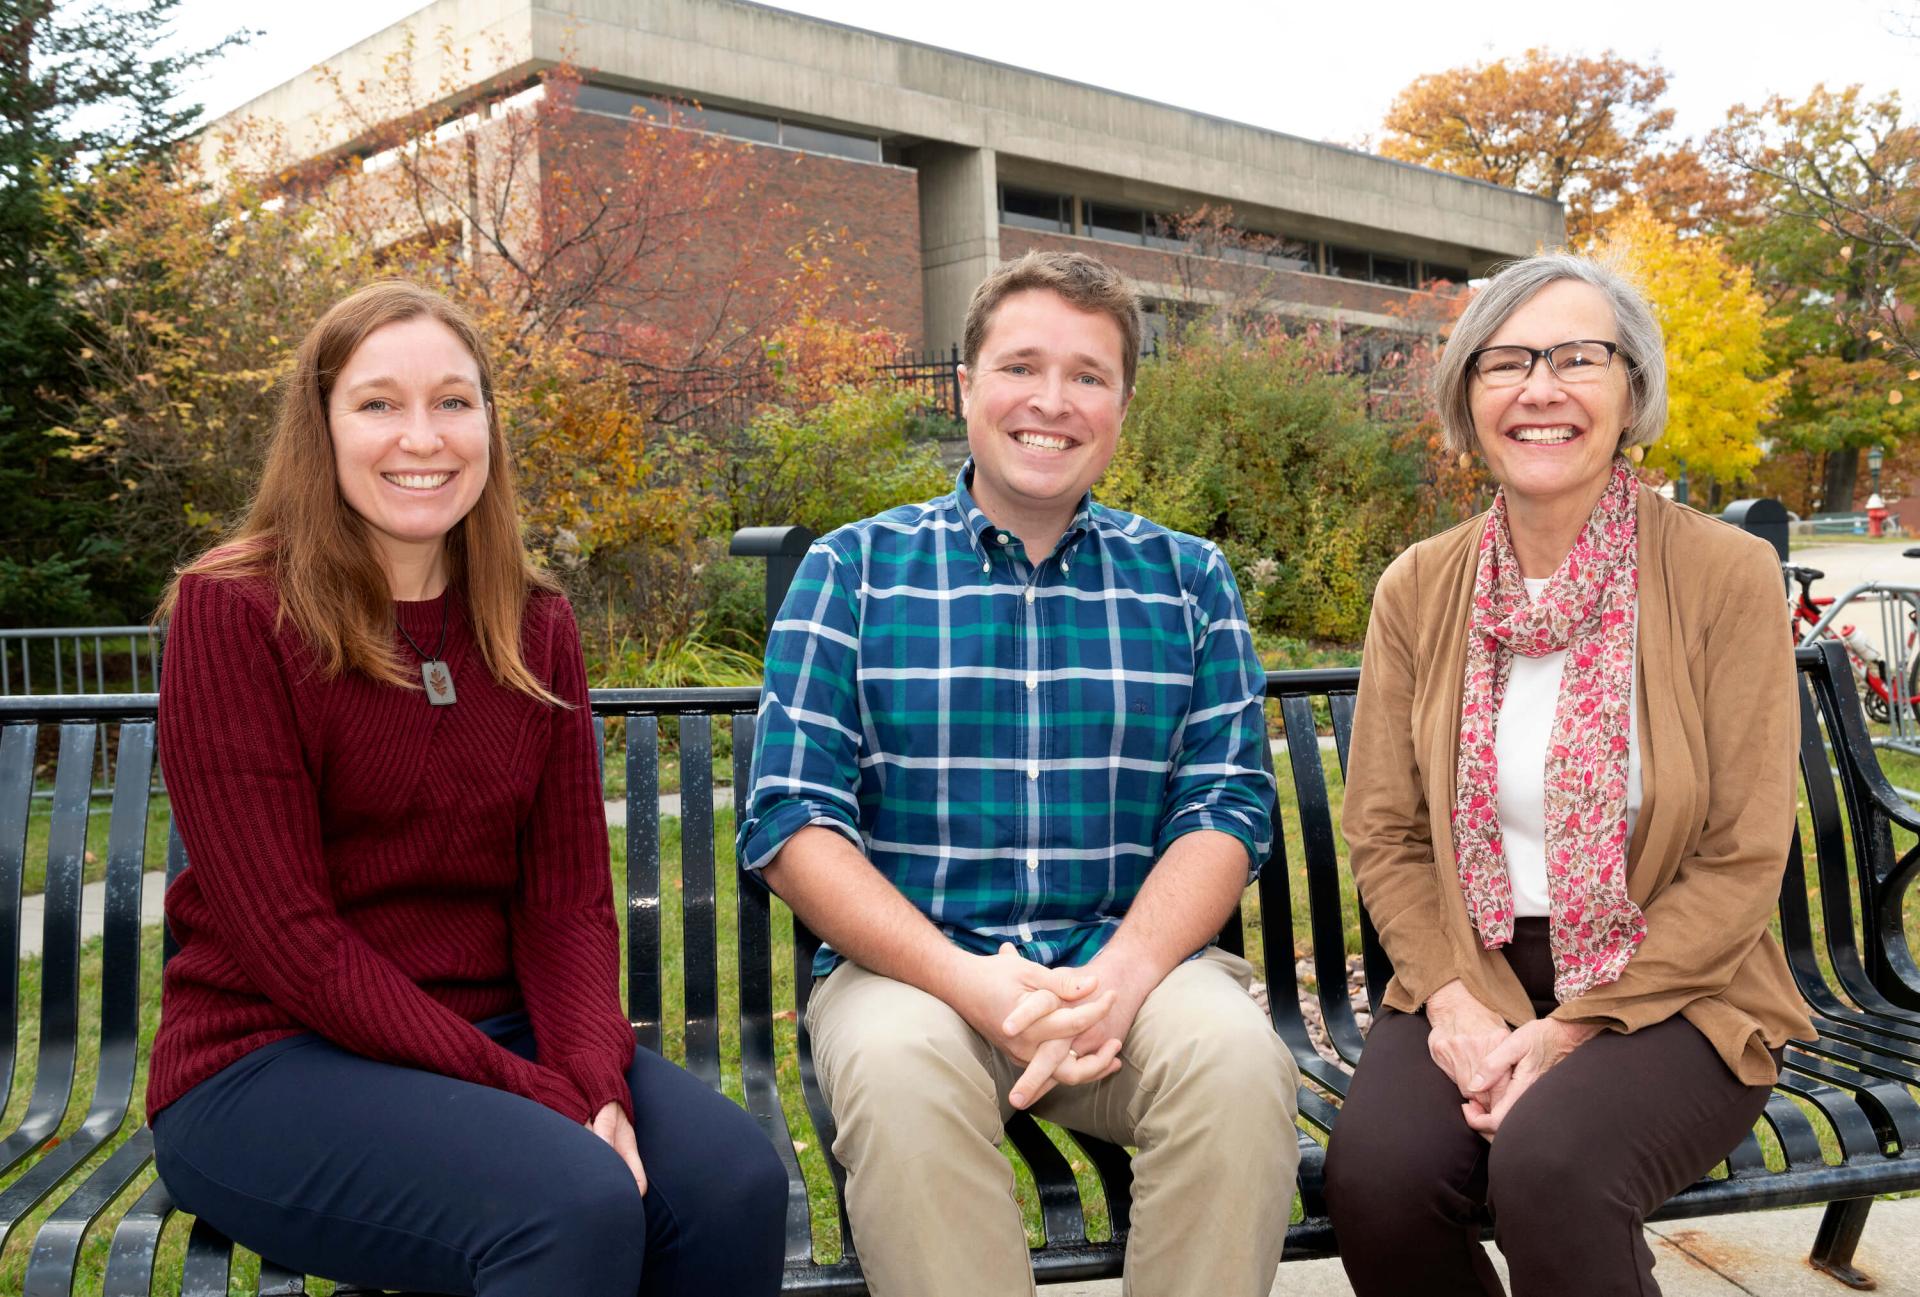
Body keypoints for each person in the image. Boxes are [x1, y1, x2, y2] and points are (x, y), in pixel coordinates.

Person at [147, 280, 786, 1297]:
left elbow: (566, 903)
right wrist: (532, 1094)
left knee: (735, 1183)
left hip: (501, 1031)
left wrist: (587, 1077)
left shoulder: (532, 623)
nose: (424, 435)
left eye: (454, 400)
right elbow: (293, 940)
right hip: (269, 1055)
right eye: (378, 403)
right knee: (569, 1202)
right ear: (321, 426)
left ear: (490, 422)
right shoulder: (236, 610)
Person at [736, 249, 1299, 1297]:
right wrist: (969, 983)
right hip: (915, 979)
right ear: (965, 386)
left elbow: (1224, 803)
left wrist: (1119, 982)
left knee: (1234, 1063)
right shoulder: (855, 571)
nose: (1052, 401)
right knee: (902, 1080)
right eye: (1021, 366)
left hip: (1128, 972)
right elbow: (790, 817)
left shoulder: (1187, 581)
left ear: (1124, 405)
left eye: (1089, 375)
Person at [1324, 251, 1816, 1295]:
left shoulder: (1723, 574)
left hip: (1678, 981)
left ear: (1632, 390)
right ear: (1469, 399)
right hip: (1477, 962)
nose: (1539, 388)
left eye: (1578, 357)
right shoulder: (1420, 587)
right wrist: (1454, 1004)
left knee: (1553, 1167)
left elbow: (1741, 854)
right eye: (1505, 362)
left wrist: (1570, 1032)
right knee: (1377, 1180)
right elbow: (1387, 829)